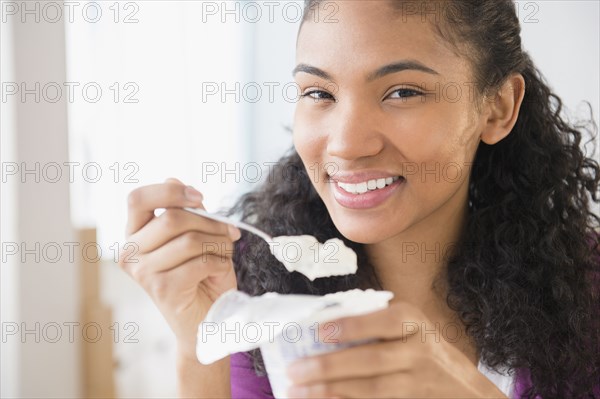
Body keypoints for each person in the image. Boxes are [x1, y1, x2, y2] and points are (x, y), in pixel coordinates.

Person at [119, 0, 600, 398]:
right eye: (319, 92)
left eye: (402, 92)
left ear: (497, 108)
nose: (346, 144)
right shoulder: (251, 293)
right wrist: (199, 340)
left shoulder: (587, 291)